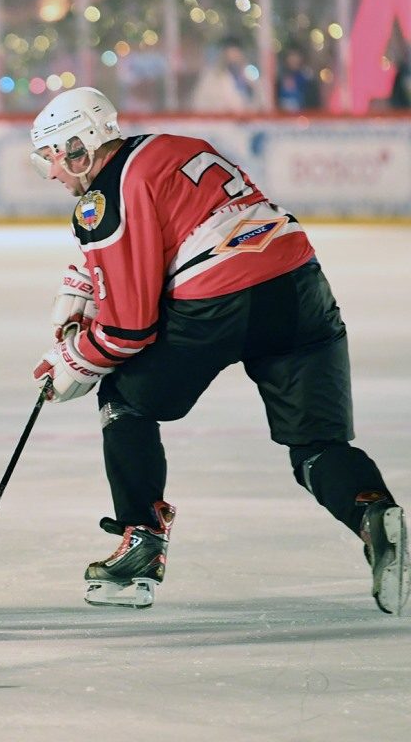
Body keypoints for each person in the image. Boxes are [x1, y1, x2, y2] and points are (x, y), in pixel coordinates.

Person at [27, 86, 408, 613]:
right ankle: (372, 516)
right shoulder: (173, 146)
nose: (50, 172)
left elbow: (129, 329)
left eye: (50, 156)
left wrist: (74, 361)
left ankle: (141, 544)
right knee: (317, 444)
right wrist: (87, 279)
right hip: (299, 283)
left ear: (80, 146)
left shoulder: (101, 198)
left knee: (124, 399)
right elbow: (175, 224)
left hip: (220, 301)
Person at [189, 37, 261, 113]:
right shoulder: (211, 77)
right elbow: (199, 103)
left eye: (236, 54)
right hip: (219, 122)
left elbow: (259, 101)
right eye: (229, 54)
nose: (233, 58)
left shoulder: (250, 74)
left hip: (247, 122)